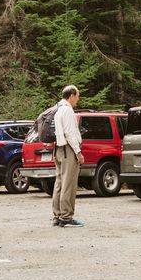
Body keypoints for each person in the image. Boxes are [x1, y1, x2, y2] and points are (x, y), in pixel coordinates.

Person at [52, 85, 84, 227]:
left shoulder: (58, 108)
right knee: (68, 183)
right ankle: (66, 216)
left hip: (58, 150)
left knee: (59, 183)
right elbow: (70, 134)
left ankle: (57, 215)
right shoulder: (67, 110)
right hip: (68, 150)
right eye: (77, 96)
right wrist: (78, 152)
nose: (78, 99)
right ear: (71, 95)